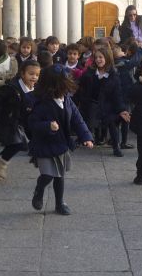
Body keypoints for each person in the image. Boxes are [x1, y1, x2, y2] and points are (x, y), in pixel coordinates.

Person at [28, 64, 94, 215]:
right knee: (48, 174)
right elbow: (32, 123)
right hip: (44, 145)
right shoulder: (41, 103)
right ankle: (39, 189)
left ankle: (60, 203)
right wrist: (47, 126)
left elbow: (77, 119)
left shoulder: (67, 100)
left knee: (60, 175)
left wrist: (86, 136)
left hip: (61, 144)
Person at [0, 60, 39, 181]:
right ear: (22, 73)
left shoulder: (36, 90)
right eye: (31, 74)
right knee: (16, 144)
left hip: (23, 123)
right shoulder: (11, 88)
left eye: (37, 75)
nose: (34, 77)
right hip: (8, 121)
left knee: (20, 145)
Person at [76, 47, 131, 157]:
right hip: (92, 103)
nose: (98, 60)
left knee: (112, 120)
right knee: (84, 116)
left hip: (107, 105)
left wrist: (121, 110)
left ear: (107, 58)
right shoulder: (90, 73)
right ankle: (83, 138)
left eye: (101, 57)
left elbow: (117, 94)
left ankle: (116, 146)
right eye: (96, 57)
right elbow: (82, 88)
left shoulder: (113, 75)